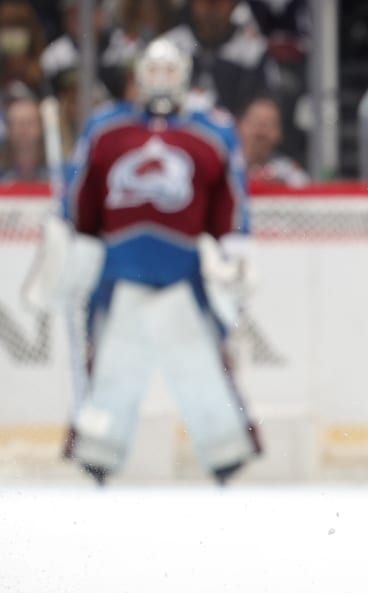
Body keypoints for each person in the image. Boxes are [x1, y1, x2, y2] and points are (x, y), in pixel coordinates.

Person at [58, 37, 259, 485]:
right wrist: (73, 241)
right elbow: (81, 197)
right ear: (138, 74)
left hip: (185, 270)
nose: (162, 81)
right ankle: (98, 452)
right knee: (113, 362)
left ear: (185, 74)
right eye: (155, 70)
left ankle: (226, 451)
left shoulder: (211, 132)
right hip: (118, 268)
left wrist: (235, 250)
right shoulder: (106, 128)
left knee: (202, 359)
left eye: (171, 71)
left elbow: (230, 200)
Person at [237, 93, 308, 186]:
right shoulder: (224, 168)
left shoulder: (289, 174)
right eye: (255, 122)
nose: (260, 129)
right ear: (238, 126)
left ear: (280, 133)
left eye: (268, 123)